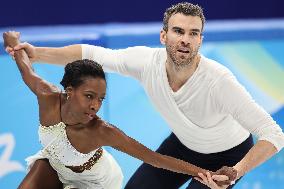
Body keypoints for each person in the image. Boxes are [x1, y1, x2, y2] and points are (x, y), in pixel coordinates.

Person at [5, 2, 284, 189]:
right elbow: (90, 54)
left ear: (200, 40)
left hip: (230, 155)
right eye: (178, 31)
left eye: (193, 33)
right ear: (164, 36)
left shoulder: (219, 82)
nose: (185, 39)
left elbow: (273, 134)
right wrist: (37, 53)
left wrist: (236, 170)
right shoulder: (145, 62)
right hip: (183, 146)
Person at [3, 31, 234, 189]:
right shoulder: (47, 97)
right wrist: (14, 42)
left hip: (96, 182)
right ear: (70, 91)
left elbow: (155, 158)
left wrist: (205, 173)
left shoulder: (102, 131)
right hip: (54, 164)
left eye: (101, 99)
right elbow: (26, 69)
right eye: (89, 96)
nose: (95, 106)